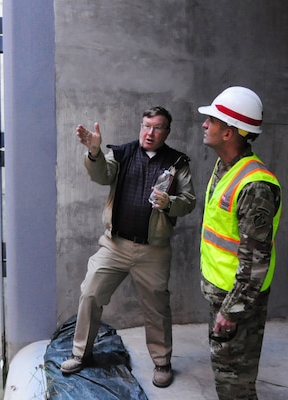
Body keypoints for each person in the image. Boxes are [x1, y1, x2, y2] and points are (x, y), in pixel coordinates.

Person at [60, 106, 196, 388]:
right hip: (115, 244)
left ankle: (162, 363)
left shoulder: (177, 162)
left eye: (158, 127)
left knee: (157, 306)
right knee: (90, 292)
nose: (150, 132)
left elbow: (189, 201)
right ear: (140, 126)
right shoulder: (123, 153)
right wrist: (95, 153)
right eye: (146, 125)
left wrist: (169, 203)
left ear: (166, 132)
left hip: (153, 250)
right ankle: (80, 354)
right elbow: (102, 175)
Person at [197, 86, 282, 400]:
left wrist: (230, 312)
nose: (205, 125)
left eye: (212, 120)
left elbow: (255, 262)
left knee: (235, 387)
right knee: (225, 375)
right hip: (223, 294)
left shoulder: (255, 185)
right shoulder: (225, 168)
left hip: (238, 303)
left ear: (230, 133)